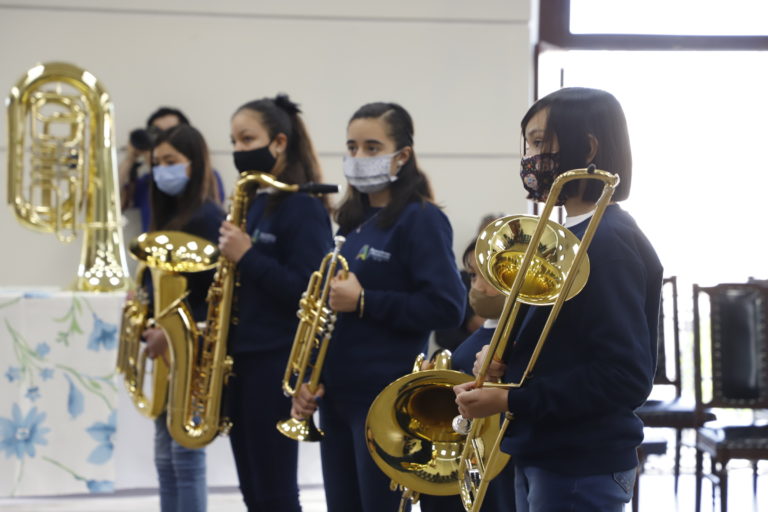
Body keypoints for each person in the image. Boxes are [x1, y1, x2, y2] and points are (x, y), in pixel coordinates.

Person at [453, 87, 663, 512]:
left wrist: (511, 399)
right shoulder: (569, 238)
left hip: (578, 463)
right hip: (546, 451)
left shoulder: (609, 244)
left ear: (586, 148)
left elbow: (624, 376)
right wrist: (501, 363)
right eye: (527, 145)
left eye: (537, 143)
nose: (529, 159)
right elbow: (563, 349)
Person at [291, 102, 467, 511]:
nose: (359, 158)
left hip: (386, 400)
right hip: (337, 396)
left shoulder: (421, 220)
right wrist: (309, 376)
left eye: (373, 148)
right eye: (352, 147)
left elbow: (447, 307)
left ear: (402, 155)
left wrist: (366, 301)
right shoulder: (352, 223)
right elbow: (329, 315)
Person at [217, 94, 333, 512]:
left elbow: (308, 289)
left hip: (276, 362)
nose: (238, 150)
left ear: (280, 142)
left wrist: (247, 255)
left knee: (275, 492)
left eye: (248, 139)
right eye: (233, 141)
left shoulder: (301, 206)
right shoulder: (258, 203)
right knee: (253, 489)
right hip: (243, 360)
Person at [140, 124, 226, 512]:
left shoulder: (207, 218)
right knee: (165, 460)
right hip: (170, 355)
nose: (162, 170)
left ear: (195, 164)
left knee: (185, 459)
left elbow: (213, 296)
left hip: (191, 353)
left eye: (171, 161)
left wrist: (171, 334)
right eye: (157, 162)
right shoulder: (170, 216)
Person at [119, 107, 225, 231]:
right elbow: (113, 201)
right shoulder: (150, 181)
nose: (165, 139)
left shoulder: (209, 181)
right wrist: (130, 158)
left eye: (170, 162)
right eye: (157, 133)